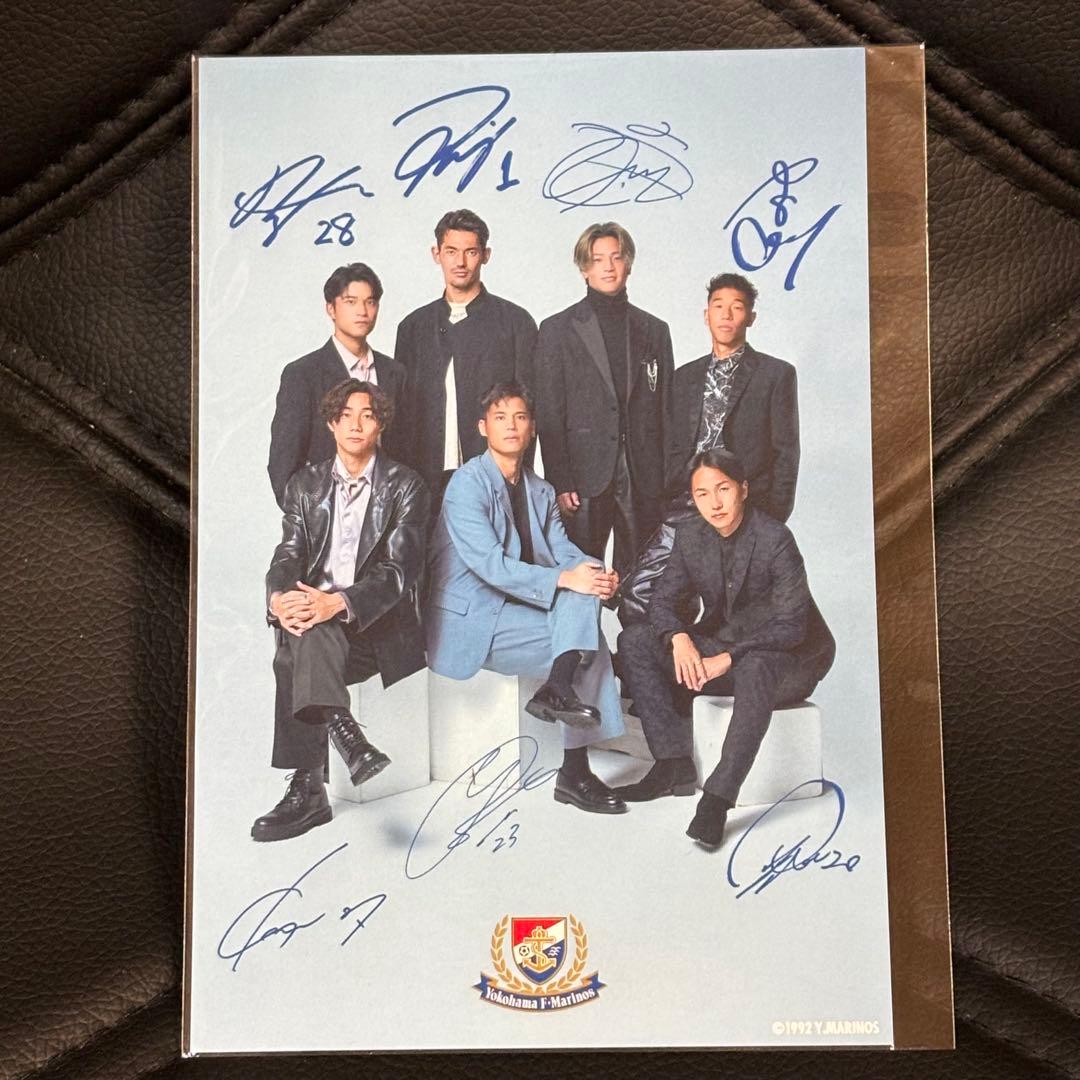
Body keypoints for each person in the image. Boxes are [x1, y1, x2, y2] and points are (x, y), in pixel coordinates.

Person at [425, 382, 628, 814]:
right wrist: (569, 580)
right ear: (483, 427)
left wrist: (598, 573)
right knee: (588, 642)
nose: (511, 426)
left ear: (532, 427)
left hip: (515, 611)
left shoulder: (541, 490)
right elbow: (491, 566)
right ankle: (573, 769)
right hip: (473, 617)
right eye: (500, 418)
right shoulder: (466, 485)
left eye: (520, 417)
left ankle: (558, 689)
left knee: (580, 594)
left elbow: (564, 551)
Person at [616, 449, 834, 847]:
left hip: (792, 659)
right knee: (635, 641)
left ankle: (717, 800)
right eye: (702, 494)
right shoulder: (690, 536)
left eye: (723, 489)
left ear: (743, 489)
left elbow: (791, 626)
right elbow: (662, 601)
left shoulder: (775, 539)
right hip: (727, 647)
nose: (714, 503)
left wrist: (728, 657)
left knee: (756, 666)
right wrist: (679, 638)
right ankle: (672, 763)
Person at [252, 379, 429, 842]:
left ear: (380, 425)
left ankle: (309, 788)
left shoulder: (405, 485)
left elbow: (399, 571)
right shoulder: (304, 484)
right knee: (307, 628)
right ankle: (348, 738)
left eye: (367, 415)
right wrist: (278, 599)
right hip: (318, 621)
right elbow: (288, 554)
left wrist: (338, 602)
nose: (355, 424)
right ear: (331, 423)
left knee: (293, 650)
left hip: (375, 627)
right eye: (345, 415)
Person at [619, 272, 799, 624]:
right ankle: (663, 656)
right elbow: (670, 442)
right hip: (685, 504)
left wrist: (770, 519)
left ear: (751, 317)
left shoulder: (775, 375)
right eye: (718, 306)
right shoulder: (684, 377)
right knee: (639, 594)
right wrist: (668, 493)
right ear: (706, 315)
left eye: (737, 307)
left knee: (736, 610)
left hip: (743, 506)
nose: (726, 315)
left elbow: (786, 452)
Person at [535, 221, 676, 578]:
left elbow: (666, 411)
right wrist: (560, 480)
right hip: (584, 475)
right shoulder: (556, 330)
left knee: (642, 579)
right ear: (584, 269)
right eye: (598, 259)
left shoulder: (655, 330)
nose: (608, 267)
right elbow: (550, 412)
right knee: (582, 575)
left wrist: (666, 480)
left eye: (616, 257)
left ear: (629, 264)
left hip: (643, 475)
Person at [393, 208, 537, 491]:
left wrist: (518, 478)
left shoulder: (516, 322)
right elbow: (403, 416)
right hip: (424, 479)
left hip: (495, 477)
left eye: (471, 252)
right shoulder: (413, 327)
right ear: (436, 254)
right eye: (451, 251)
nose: (460, 262)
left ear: (485, 255)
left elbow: (530, 409)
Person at [268, 263, 407, 509]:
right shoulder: (303, 374)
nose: (362, 311)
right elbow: (283, 465)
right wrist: (311, 518)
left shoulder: (395, 373)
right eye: (351, 302)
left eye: (370, 302)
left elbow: (408, 452)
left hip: (389, 512)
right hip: (330, 512)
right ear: (331, 308)